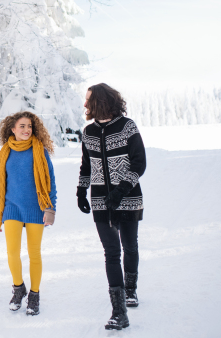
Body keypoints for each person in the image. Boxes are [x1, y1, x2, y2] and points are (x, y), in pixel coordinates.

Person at [76, 83, 146, 330]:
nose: (85, 105)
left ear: (101, 101)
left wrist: (121, 189)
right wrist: (81, 191)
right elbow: (87, 165)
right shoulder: (88, 132)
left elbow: (139, 162)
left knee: (130, 245)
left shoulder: (127, 127)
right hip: (100, 201)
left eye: (88, 100)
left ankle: (131, 290)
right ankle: (119, 312)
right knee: (112, 251)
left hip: (127, 196)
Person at [0, 111, 57, 316]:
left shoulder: (40, 150)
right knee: (12, 252)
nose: (26, 130)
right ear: (12, 129)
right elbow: (2, 182)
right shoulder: (5, 151)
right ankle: (18, 288)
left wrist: (50, 208)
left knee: (34, 253)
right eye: (22, 126)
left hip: (35, 208)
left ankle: (34, 294)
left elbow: (50, 182)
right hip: (12, 207)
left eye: (29, 126)